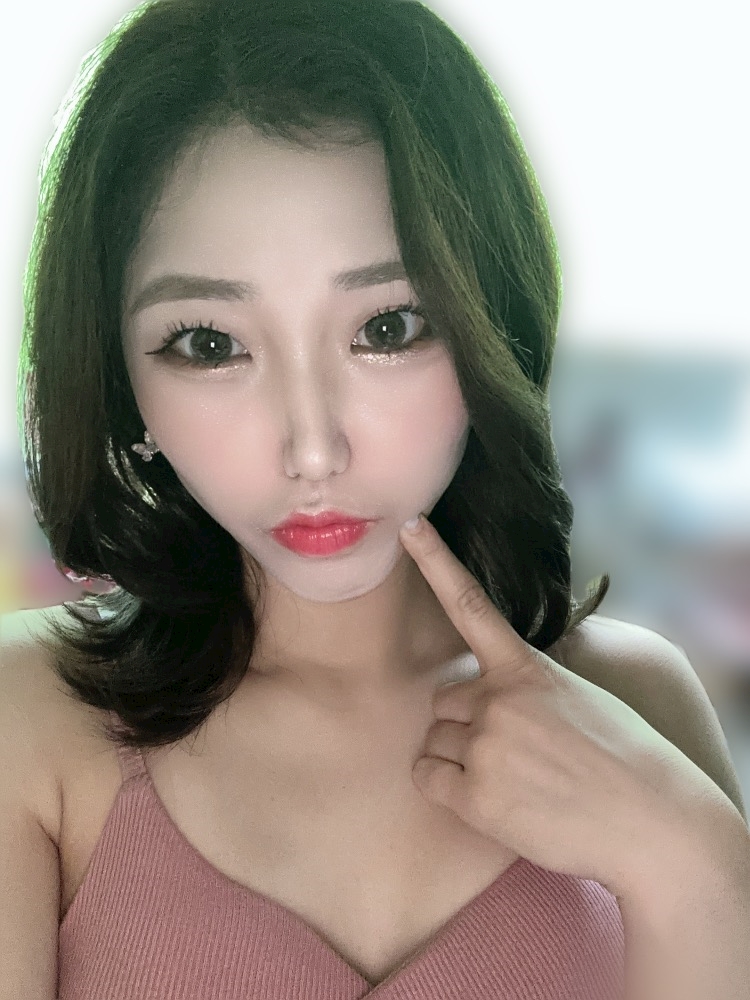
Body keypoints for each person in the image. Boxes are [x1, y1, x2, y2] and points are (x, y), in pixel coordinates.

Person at [6, 0, 747, 997]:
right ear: (121, 378)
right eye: (210, 344)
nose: (314, 448)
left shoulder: (638, 707)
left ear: (491, 324)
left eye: (388, 327)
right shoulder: (29, 724)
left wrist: (690, 859)